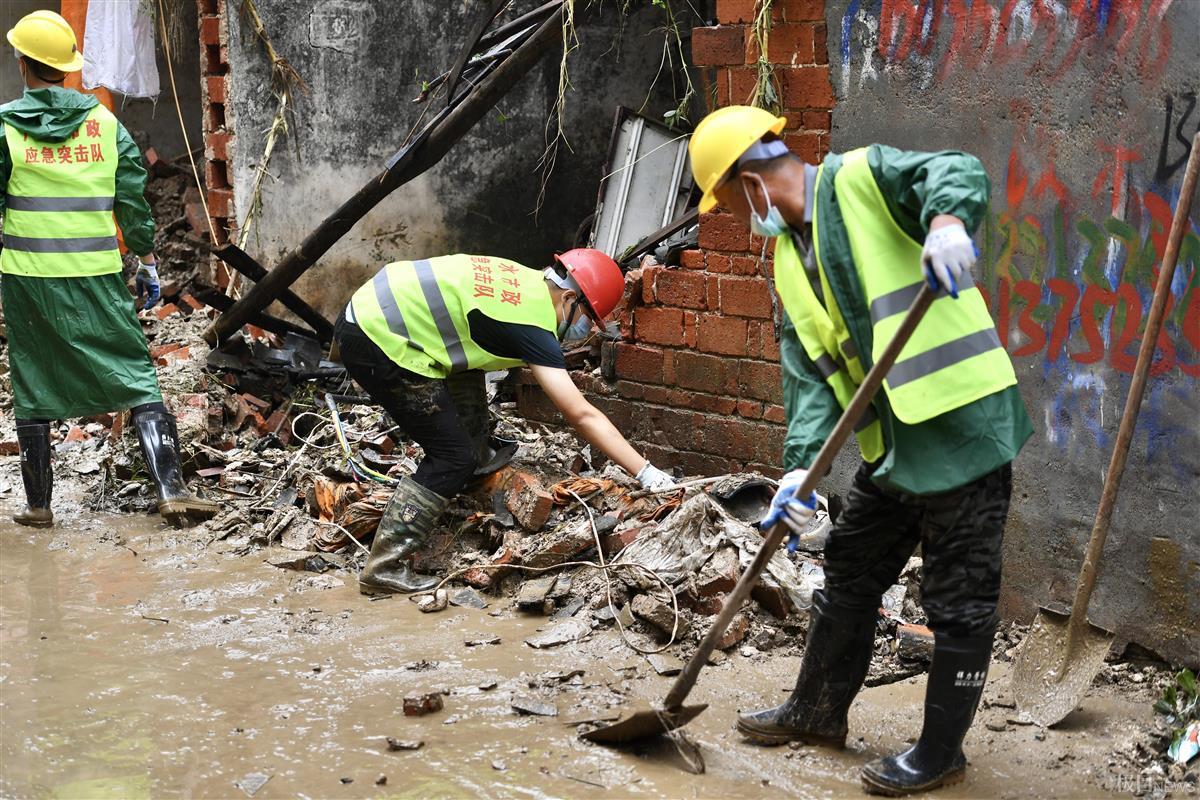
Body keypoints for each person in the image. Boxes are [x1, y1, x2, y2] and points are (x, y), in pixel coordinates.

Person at [688, 106, 1032, 796]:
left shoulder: (861, 178)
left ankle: (940, 752)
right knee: (849, 566)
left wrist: (946, 223)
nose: (733, 216)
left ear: (749, 181)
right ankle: (816, 712)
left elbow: (953, 169)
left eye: (727, 201)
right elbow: (811, 378)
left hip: (961, 428)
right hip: (895, 446)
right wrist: (799, 470)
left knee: (958, 596)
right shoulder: (789, 258)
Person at [335, 248, 677, 595]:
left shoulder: (525, 280)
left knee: (468, 405)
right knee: (454, 456)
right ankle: (383, 568)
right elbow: (581, 413)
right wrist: (646, 472)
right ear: (570, 297)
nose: (585, 329)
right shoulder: (533, 325)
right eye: (587, 318)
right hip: (379, 337)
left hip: (370, 310)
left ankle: (467, 478)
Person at [2, 11, 216, 528]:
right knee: (136, 373)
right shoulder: (105, 126)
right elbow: (134, 204)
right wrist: (146, 261)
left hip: (28, 278)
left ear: (22, 61)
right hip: (97, 275)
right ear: (68, 67)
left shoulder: (6, 128)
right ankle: (170, 491)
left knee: (32, 376)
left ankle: (38, 506)